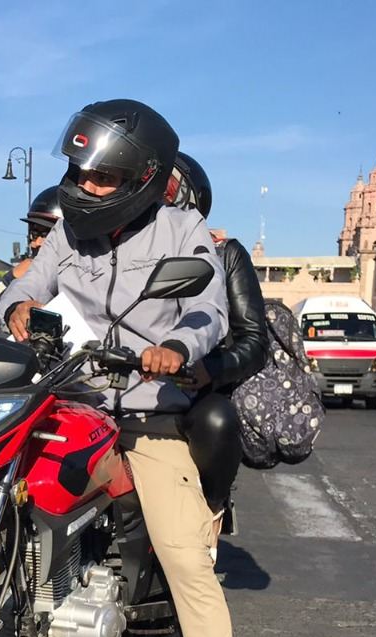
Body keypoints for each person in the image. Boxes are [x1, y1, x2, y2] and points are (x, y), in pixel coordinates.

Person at [0, 99, 244, 637]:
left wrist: (175, 346)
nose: (86, 187)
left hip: (143, 408)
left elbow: (208, 310)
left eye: (102, 178)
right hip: (64, 393)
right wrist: (13, 306)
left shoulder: (181, 229)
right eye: (80, 172)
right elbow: (23, 284)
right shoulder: (67, 232)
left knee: (184, 552)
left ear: (143, 177)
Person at [164, 152, 269, 518]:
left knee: (216, 421)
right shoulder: (110, 251)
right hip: (118, 384)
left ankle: (209, 512)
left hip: (193, 390)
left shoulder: (224, 254)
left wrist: (211, 370)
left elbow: (254, 342)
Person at [0, 185, 62, 335]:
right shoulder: (21, 275)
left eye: (47, 235)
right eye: (34, 234)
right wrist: (10, 279)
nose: (37, 242)